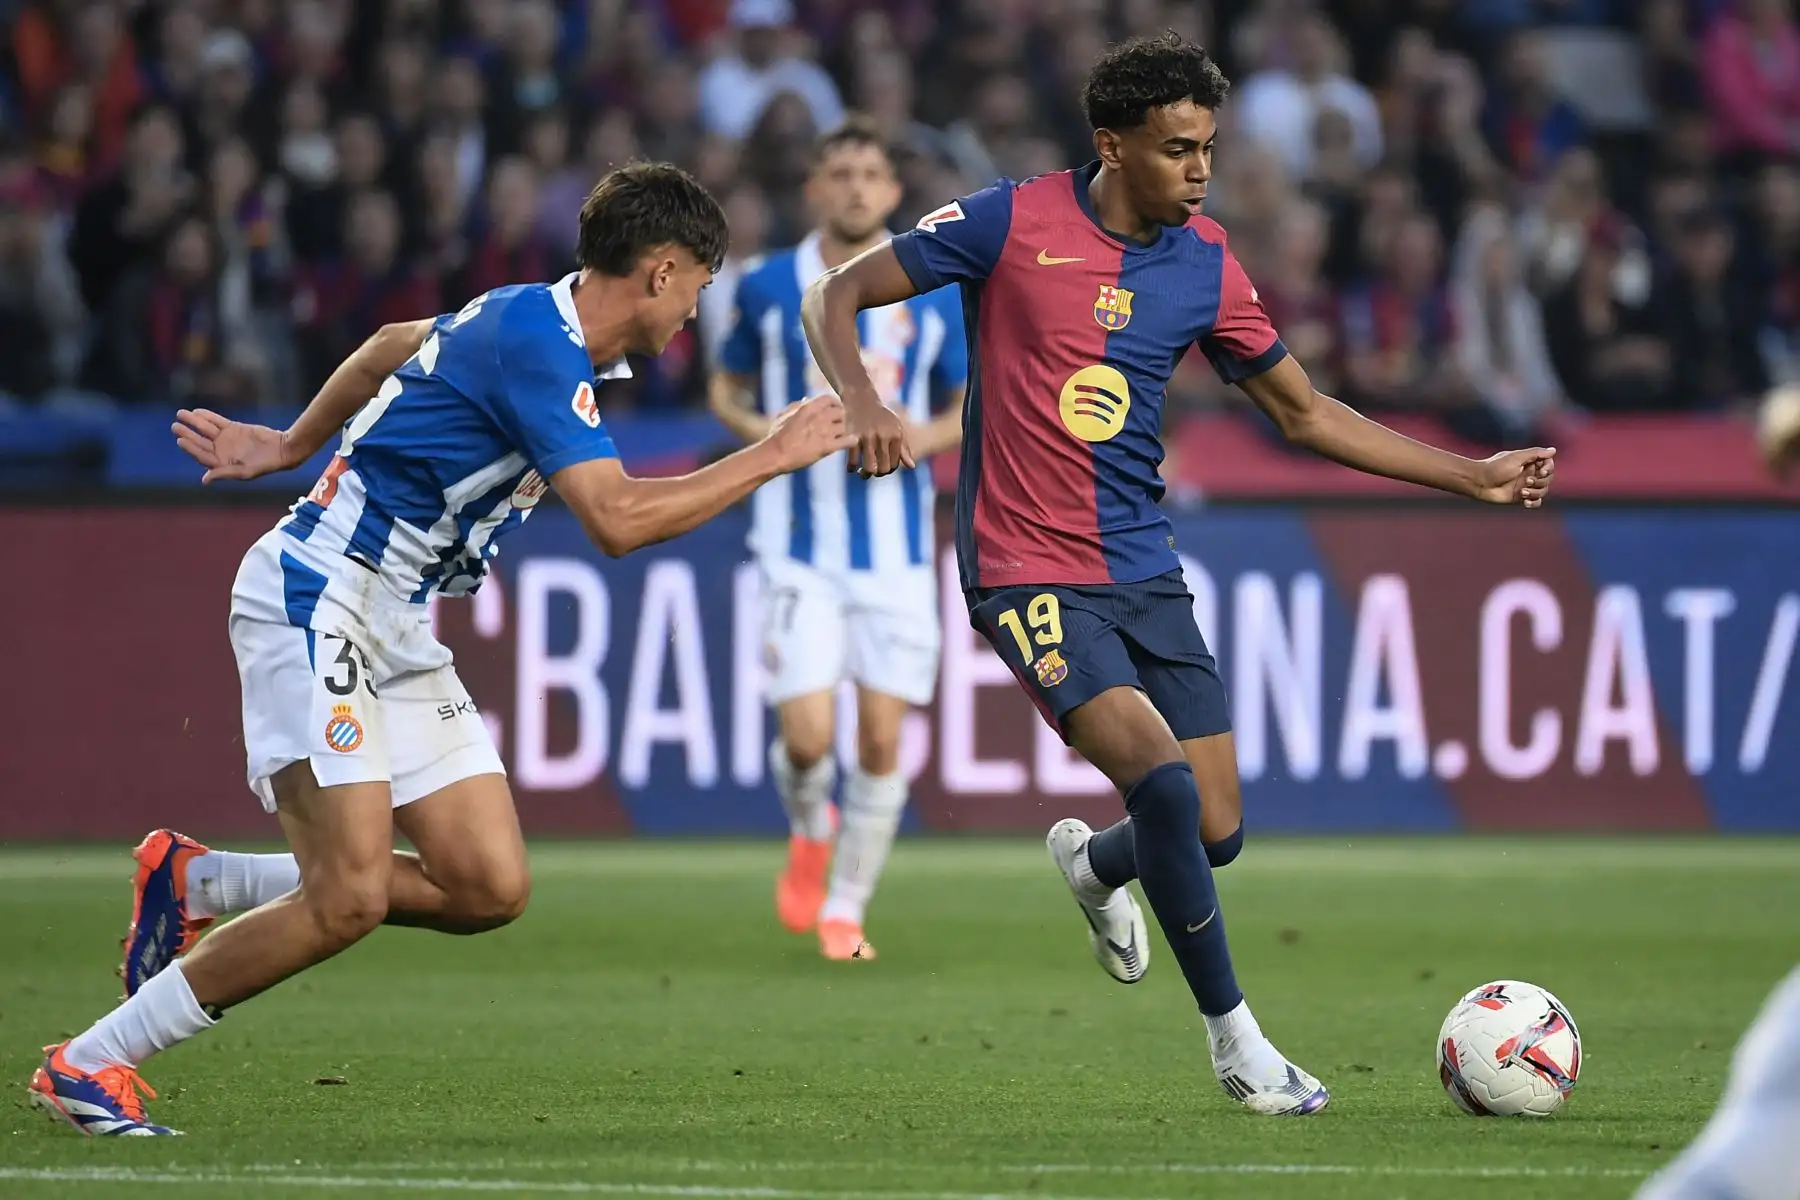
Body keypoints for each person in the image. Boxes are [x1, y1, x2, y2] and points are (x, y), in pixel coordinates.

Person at [805, 33, 1555, 1116]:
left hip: (1142, 565)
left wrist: (1469, 475)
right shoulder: (1009, 221)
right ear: (1112, 145)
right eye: (1176, 149)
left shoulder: (1205, 262)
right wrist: (865, 401)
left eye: (1208, 147)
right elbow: (833, 294)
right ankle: (1238, 1043)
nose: (1200, 170)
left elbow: (1304, 413)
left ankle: (1097, 866)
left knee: (1211, 829)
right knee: (1159, 783)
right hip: (1025, 565)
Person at [28, 162, 853, 1137]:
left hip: (395, 621)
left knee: (487, 885)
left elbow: (389, 345)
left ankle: (199, 882)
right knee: (347, 898)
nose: (694, 314)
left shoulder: (527, 320)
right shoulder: (538, 343)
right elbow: (618, 520)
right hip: (319, 596)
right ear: (662, 270)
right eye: (700, 287)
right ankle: (92, 1060)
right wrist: (773, 453)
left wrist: (292, 444)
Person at [709, 118, 966, 961]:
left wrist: (909, 437)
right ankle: (810, 829)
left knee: (882, 741)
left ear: (892, 191)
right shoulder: (765, 285)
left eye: (870, 174)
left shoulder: (933, 287)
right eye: (840, 173)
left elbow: (967, 403)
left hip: (897, 552)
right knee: (808, 738)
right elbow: (724, 388)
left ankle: (846, 909)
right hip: (796, 546)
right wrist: (771, 439)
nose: (855, 187)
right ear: (815, 188)